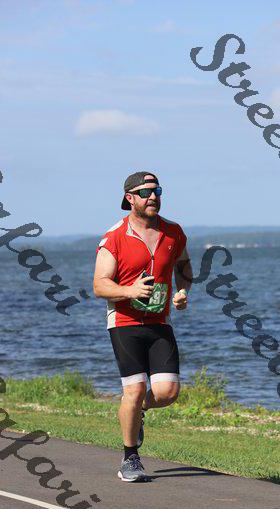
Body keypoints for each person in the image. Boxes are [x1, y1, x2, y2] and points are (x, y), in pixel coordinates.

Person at [93, 171, 192, 482]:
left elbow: (183, 265)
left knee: (167, 392)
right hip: (125, 322)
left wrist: (182, 290)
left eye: (157, 191)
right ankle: (130, 458)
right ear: (129, 198)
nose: (153, 197)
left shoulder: (173, 232)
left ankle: (138, 413)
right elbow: (99, 285)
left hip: (160, 321)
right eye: (145, 192)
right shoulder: (115, 236)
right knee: (134, 390)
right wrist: (129, 291)